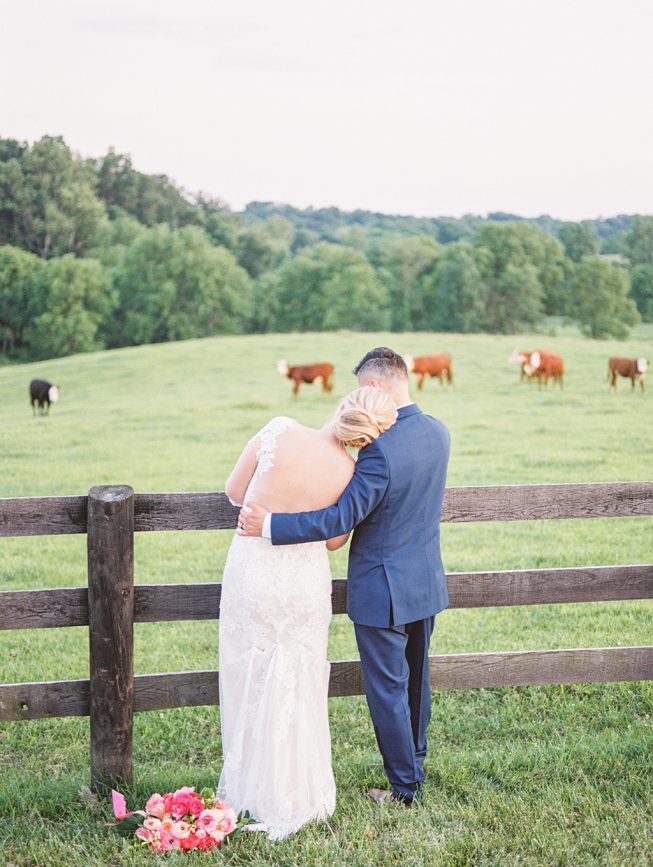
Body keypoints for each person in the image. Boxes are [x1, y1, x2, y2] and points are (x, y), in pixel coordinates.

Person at [239, 347, 450, 806]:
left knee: (388, 689)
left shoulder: (379, 453)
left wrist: (269, 525)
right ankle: (414, 765)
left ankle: (403, 789)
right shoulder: (438, 432)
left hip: (382, 589)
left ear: (374, 386)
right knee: (417, 680)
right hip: (425, 582)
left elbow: (339, 519)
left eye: (358, 389)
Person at [218, 386, 398, 840]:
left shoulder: (280, 429)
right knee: (298, 674)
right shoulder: (349, 473)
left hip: (253, 566)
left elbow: (234, 490)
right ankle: (298, 790)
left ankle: (247, 790)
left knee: (250, 669)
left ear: (341, 405)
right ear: (368, 435)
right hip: (302, 579)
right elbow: (335, 539)